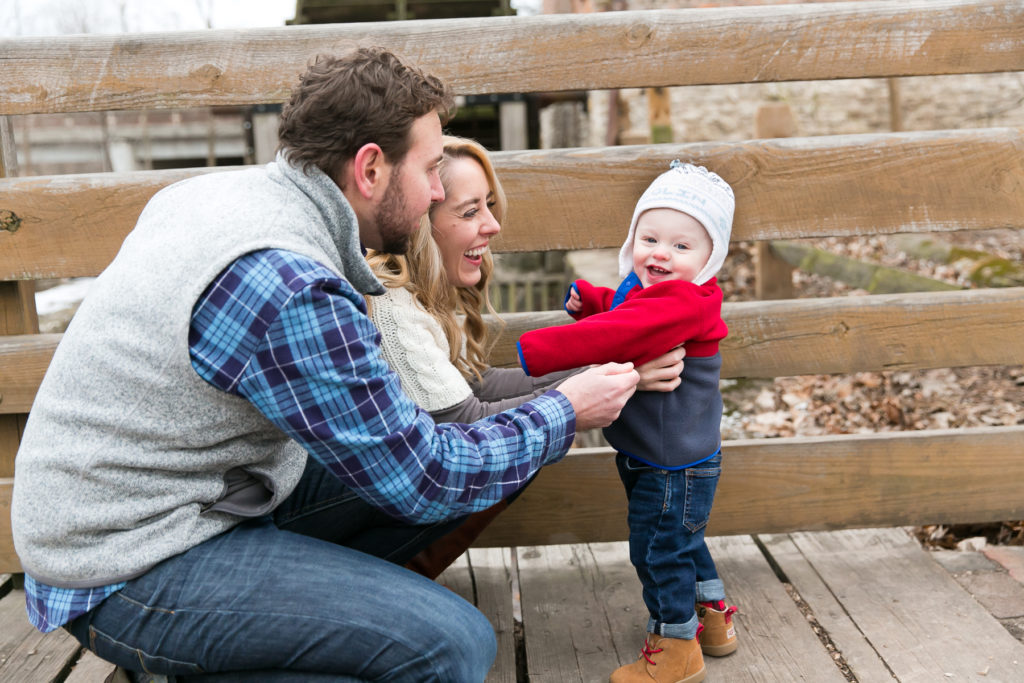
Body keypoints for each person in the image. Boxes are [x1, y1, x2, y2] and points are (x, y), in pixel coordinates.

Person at [10, 47, 640, 682]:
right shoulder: (288, 284)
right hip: (128, 564)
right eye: (429, 170)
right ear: (369, 168)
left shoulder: (225, 192)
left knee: (501, 450)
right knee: (451, 647)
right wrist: (565, 411)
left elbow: (422, 438)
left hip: (214, 494)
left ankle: (301, 628)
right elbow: (426, 477)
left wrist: (584, 377)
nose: (439, 191)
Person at [365, 136, 688, 577]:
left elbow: (476, 385)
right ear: (422, 220)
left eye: (489, 205)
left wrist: (613, 372)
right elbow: (466, 422)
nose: (493, 225)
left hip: (398, 489)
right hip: (376, 505)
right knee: (527, 439)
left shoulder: (421, 296)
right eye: (470, 211)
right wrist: (580, 399)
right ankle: (401, 577)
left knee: (534, 430)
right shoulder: (394, 310)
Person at [517, 161, 740, 683]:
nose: (661, 253)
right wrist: (591, 301)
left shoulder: (685, 300)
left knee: (658, 551)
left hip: (669, 465)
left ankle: (677, 648)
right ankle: (713, 621)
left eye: (683, 247)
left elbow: (621, 332)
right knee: (684, 539)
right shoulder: (659, 293)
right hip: (674, 456)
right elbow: (627, 309)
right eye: (650, 238)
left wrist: (537, 349)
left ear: (711, 259)